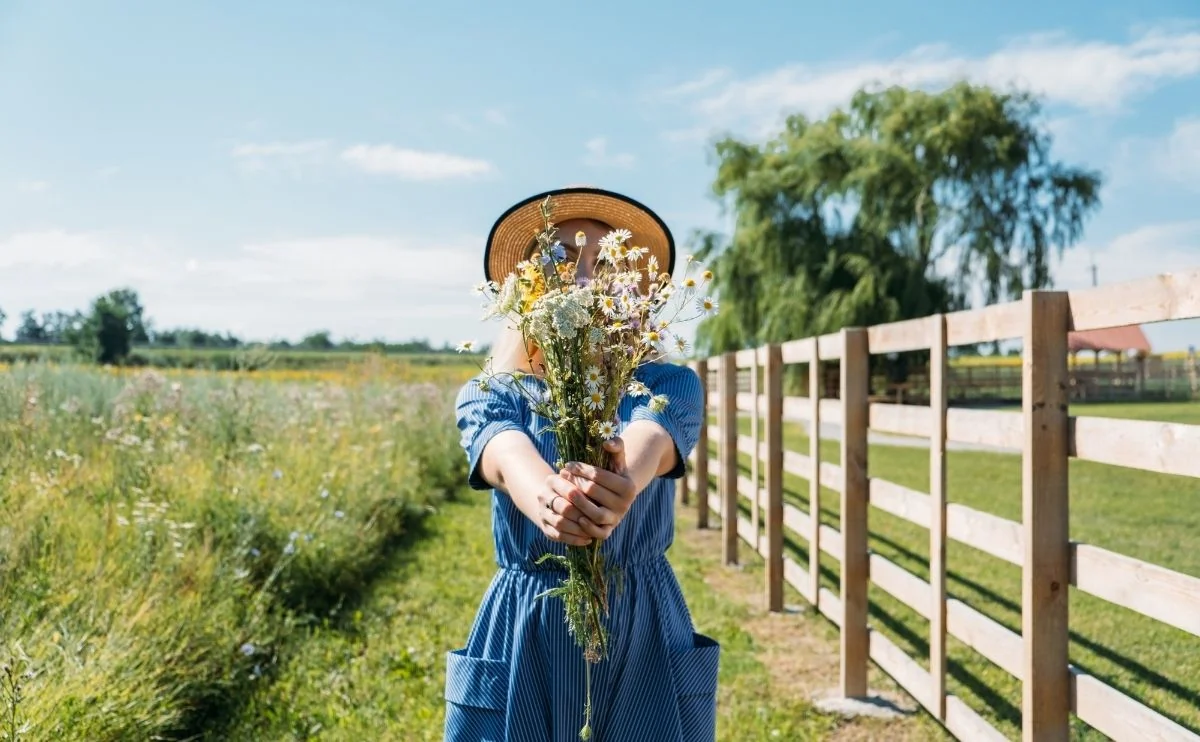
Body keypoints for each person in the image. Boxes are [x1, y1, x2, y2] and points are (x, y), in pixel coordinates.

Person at [445, 186, 719, 742]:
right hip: (529, 627)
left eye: (610, 264)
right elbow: (504, 451)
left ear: (639, 292)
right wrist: (550, 496)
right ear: (530, 292)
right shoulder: (493, 392)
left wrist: (621, 480)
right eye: (563, 261)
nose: (588, 280)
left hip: (640, 625)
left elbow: (651, 437)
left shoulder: (667, 385)